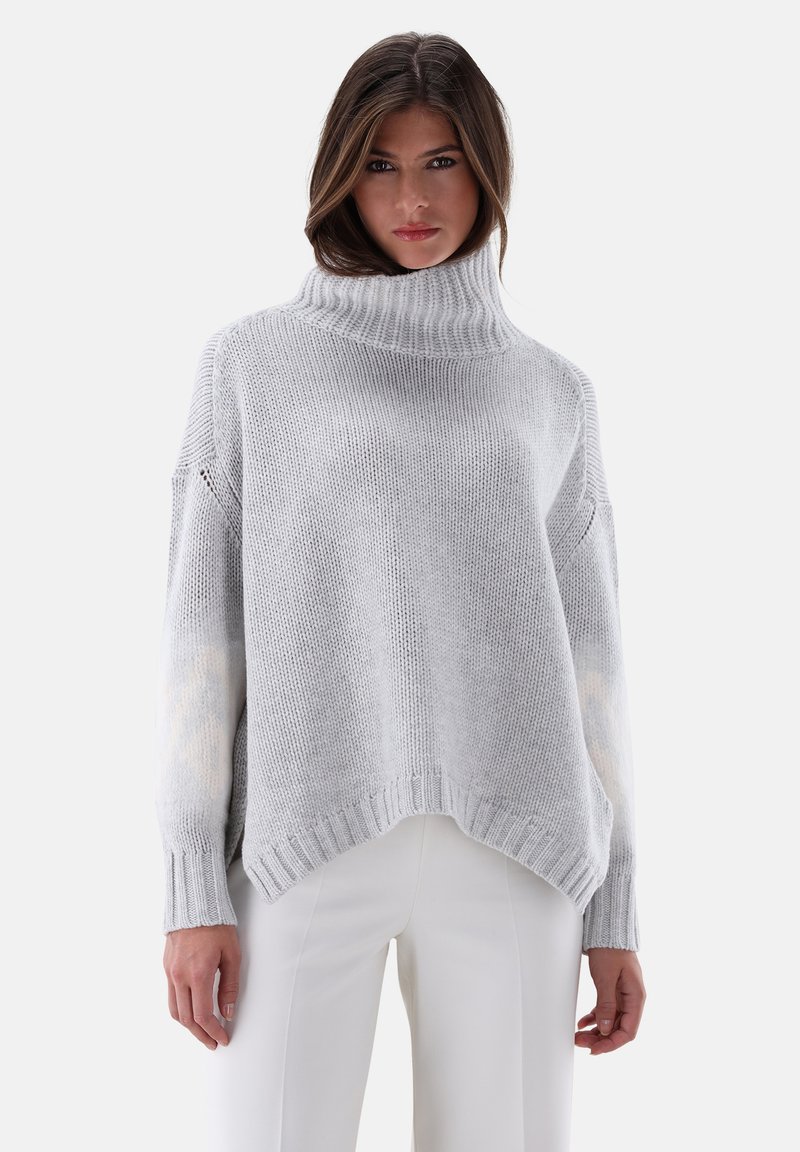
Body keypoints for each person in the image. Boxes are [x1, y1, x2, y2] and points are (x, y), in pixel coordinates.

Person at [155, 29, 646, 1152]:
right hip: (301, 838)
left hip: (519, 848)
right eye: (379, 164)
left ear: (486, 172)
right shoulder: (251, 365)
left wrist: (615, 901)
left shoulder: (553, 393)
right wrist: (191, 885)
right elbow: (200, 639)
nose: (412, 199)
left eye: (441, 162)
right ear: (340, 173)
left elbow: (594, 662)